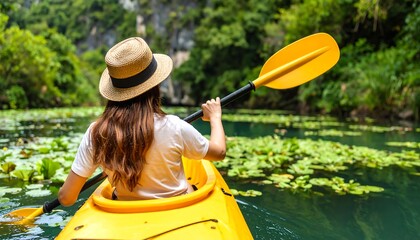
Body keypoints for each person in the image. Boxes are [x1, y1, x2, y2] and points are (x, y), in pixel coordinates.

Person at [58, 37, 226, 206]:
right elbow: (219, 153)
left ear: (114, 90)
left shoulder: (96, 133)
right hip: (176, 209)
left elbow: (66, 198)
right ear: (154, 86)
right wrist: (215, 117)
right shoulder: (174, 126)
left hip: (126, 212)